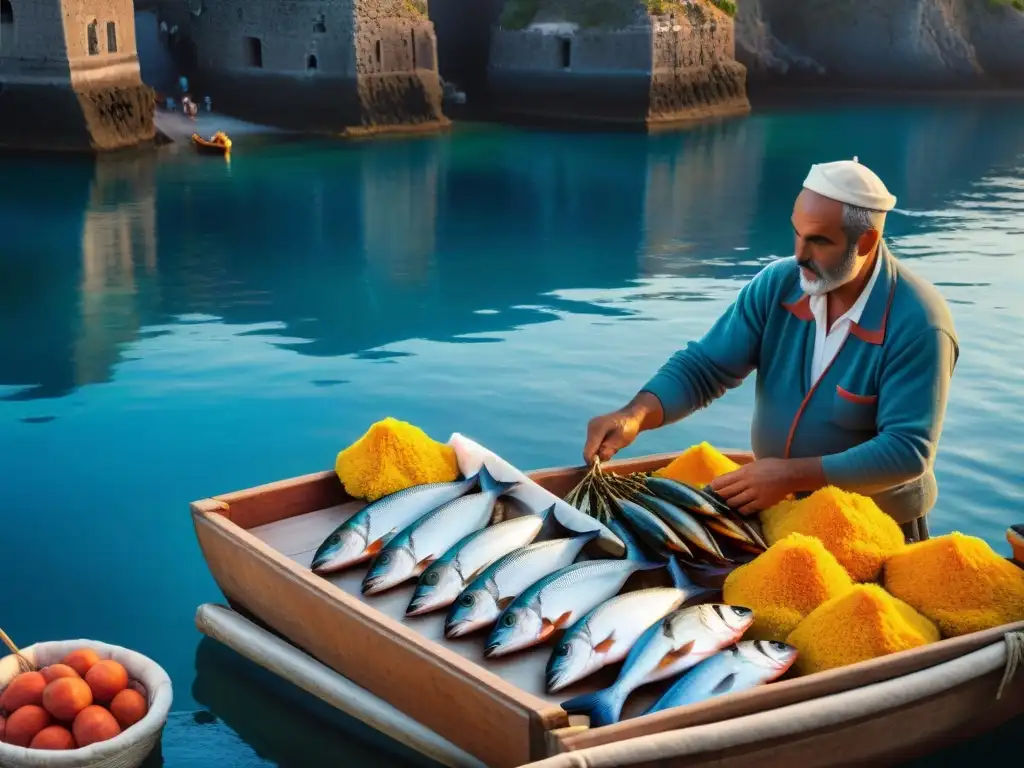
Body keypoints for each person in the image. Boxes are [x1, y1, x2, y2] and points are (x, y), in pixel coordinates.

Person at [583, 158, 958, 542]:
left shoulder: (920, 324)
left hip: (876, 530)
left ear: (866, 242)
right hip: (782, 511)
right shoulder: (778, 284)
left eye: (818, 241)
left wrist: (790, 475)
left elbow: (907, 450)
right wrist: (635, 414)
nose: (799, 254)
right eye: (797, 234)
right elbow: (705, 368)